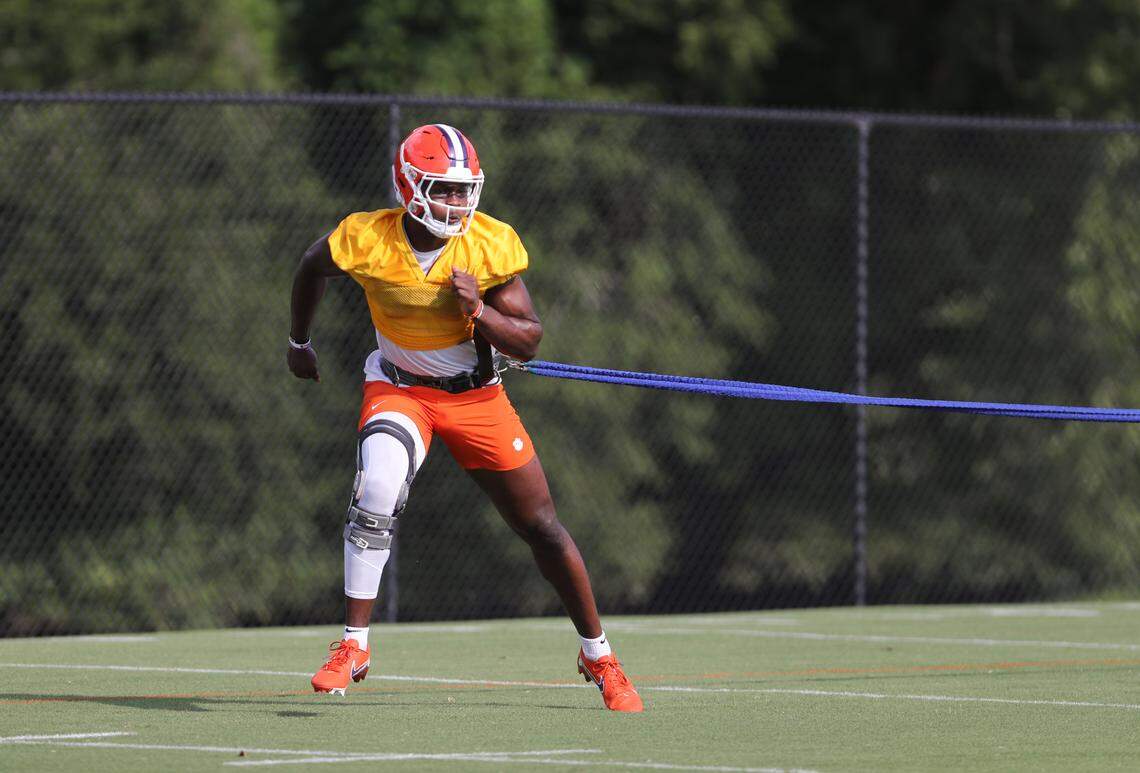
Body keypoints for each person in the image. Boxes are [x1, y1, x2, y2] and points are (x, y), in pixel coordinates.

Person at [287, 123, 643, 712]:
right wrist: (298, 341)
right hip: (400, 390)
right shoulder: (366, 237)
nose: (456, 202)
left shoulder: (488, 242)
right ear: (409, 185)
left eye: (462, 189)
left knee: (542, 527)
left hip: (476, 399)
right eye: (443, 189)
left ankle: (598, 653)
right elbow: (310, 267)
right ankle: (353, 645)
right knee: (375, 487)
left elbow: (528, 339)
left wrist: (477, 312)